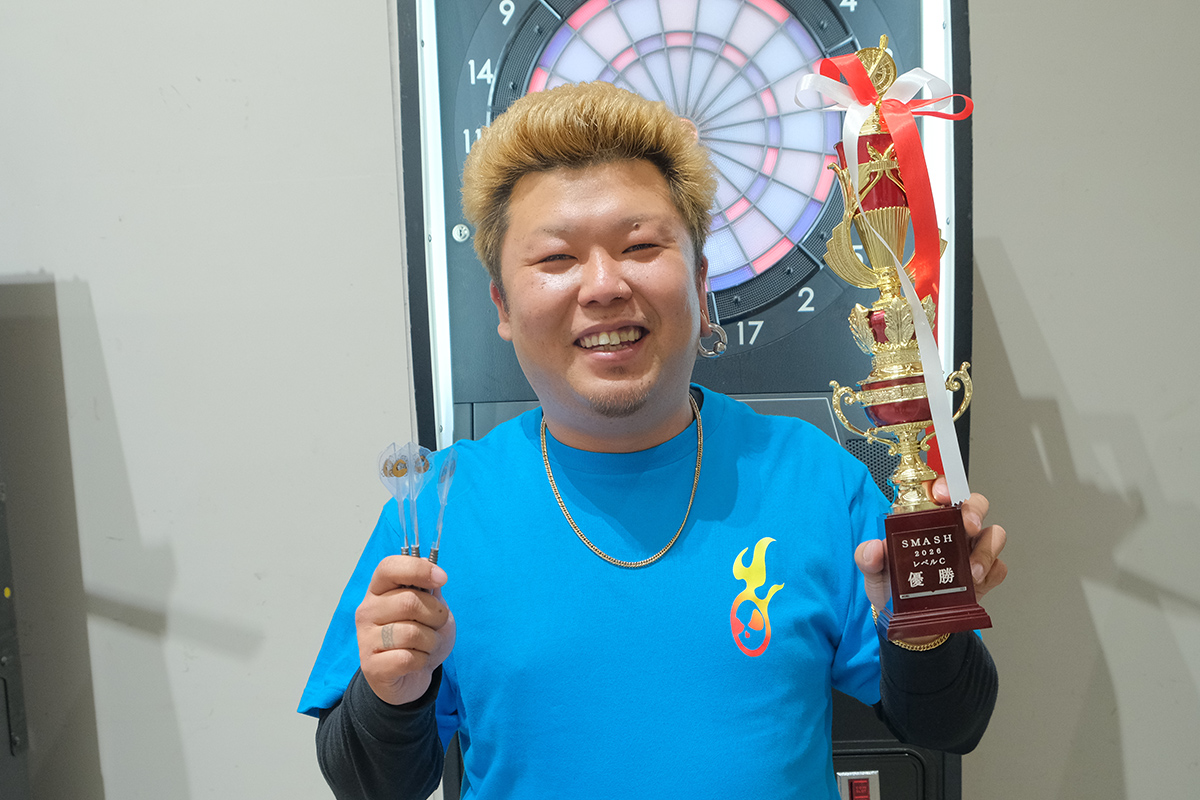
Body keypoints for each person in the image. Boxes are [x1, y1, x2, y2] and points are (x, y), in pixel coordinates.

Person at [299, 81, 1007, 800]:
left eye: (640, 246)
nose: (604, 285)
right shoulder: (439, 507)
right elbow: (370, 785)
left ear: (699, 286)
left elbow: (951, 724)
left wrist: (922, 624)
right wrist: (393, 694)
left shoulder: (814, 476)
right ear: (502, 306)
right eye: (556, 259)